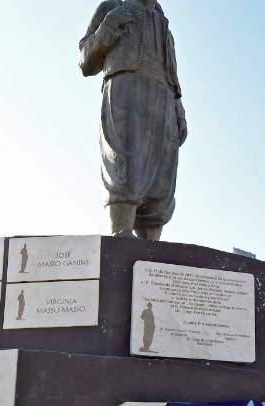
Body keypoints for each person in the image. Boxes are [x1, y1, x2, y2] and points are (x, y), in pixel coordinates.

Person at [79, 0, 186, 240]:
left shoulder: (166, 29)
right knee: (125, 164)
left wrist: (179, 109)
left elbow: (173, 76)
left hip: (164, 100)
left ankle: (152, 246)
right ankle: (122, 234)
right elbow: (85, 60)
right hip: (126, 90)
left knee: (162, 177)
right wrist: (107, 28)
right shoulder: (113, 7)